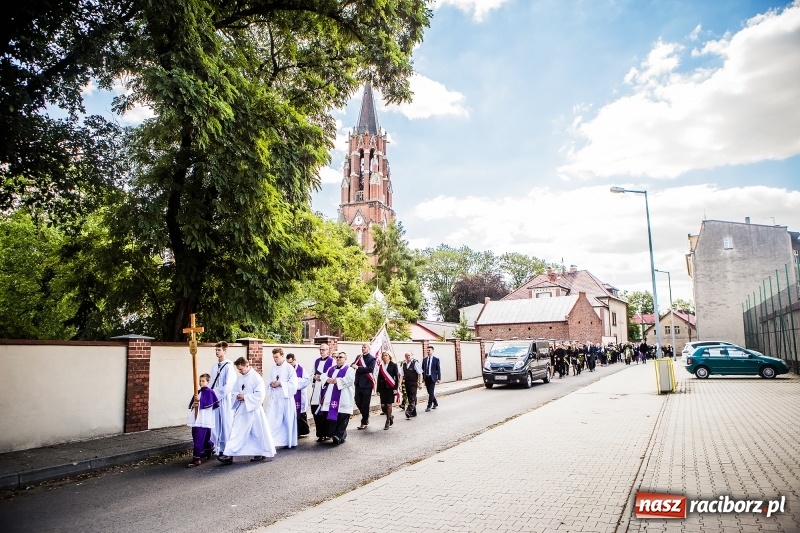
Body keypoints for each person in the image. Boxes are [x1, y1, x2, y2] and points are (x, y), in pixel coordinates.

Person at [218, 357, 276, 464]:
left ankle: (261, 452)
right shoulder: (239, 378)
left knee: (257, 433)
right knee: (236, 432)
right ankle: (228, 455)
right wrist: (237, 396)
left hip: (254, 410)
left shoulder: (256, 378)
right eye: (238, 369)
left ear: (247, 365)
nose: (239, 371)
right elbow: (234, 391)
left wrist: (245, 397)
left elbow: (260, 395)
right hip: (242, 410)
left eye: (241, 369)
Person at [317, 352, 356, 445]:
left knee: (342, 417)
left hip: (344, 398)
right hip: (331, 399)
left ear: (345, 359)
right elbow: (323, 375)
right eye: (337, 357)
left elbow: (350, 380)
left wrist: (337, 381)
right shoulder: (331, 368)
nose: (338, 358)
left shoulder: (349, 370)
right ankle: (339, 434)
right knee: (333, 418)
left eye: (340, 357)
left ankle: (338, 436)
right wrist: (327, 379)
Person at [266, 347, 298, 449]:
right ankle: (274, 441)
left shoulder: (289, 368)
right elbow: (268, 380)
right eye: (274, 357)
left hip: (285, 399)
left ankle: (289, 441)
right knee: (273, 419)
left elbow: (293, 384)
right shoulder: (272, 368)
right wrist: (271, 384)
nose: (275, 359)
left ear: (282, 356)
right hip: (276, 398)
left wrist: (280, 384)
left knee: (287, 420)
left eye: (277, 357)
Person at [209, 341, 236, 456]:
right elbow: (211, 383)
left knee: (225, 422)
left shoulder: (229, 367)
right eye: (216, 350)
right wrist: (210, 394)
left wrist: (217, 393)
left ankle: (226, 448)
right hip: (215, 399)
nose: (216, 352)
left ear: (225, 351)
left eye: (219, 350)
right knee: (214, 423)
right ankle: (215, 446)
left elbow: (229, 385)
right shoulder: (214, 367)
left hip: (224, 399)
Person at [187, 373, 219, 467]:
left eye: (203, 381)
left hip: (204, 419)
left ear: (208, 382)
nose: (201, 383)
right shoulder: (198, 391)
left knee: (198, 438)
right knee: (202, 437)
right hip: (197, 418)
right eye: (200, 381)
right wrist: (195, 403)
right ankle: (209, 448)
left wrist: (200, 400)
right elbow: (194, 405)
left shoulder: (210, 392)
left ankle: (196, 459)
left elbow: (209, 404)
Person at [310, 344, 334, 442]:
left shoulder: (332, 361)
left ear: (328, 350)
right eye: (320, 349)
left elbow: (333, 374)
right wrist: (314, 377)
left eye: (324, 350)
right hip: (316, 390)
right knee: (316, 411)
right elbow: (311, 373)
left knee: (324, 413)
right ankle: (320, 434)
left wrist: (323, 377)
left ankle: (326, 433)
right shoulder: (316, 361)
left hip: (326, 389)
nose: (321, 351)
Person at [286, 353, 310, 439]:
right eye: (288, 362)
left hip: (299, 395)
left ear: (294, 360)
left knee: (300, 414)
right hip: (290, 395)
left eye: (291, 362)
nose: (289, 364)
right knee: (291, 414)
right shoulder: (286, 369)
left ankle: (303, 431)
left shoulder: (301, 370)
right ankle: (294, 432)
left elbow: (306, 381)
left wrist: (295, 383)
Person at [352, 343, 376, 430]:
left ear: (369, 348)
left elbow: (370, 369)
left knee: (365, 404)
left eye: (365, 347)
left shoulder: (372, 358)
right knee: (357, 401)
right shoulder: (359, 357)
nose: (363, 348)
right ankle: (366, 415)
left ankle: (364, 421)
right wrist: (352, 365)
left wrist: (358, 367)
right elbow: (353, 364)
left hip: (367, 384)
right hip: (358, 383)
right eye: (362, 347)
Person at [375, 351, 400, 430]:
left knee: (389, 405)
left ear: (389, 356)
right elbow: (379, 378)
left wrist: (395, 388)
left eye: (386, 355)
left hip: (390, 388)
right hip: (383, 388)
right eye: (383, 355)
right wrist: (378, 389)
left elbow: (397, 378)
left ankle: (387, 421)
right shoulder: (381, 366)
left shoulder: (394, 365)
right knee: (383, 406)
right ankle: (390, 416)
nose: (384, 357)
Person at [400, 351, 422, 419]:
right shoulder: (404, 364)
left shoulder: (415, 363)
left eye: (409, 355)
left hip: (413, 383)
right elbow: (401, 375)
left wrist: (420, 383)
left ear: (411, 356)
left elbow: (420, 373)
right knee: (410, 397)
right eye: (406, 355)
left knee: (412, 397)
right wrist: (400, 384)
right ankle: (414, 412)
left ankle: (409, 411)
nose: (408, 357)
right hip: (407, 383)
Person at [422, 345, 441, 412]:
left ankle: (429, 406)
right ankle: (435, 403)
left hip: (432, 377)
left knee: (431, 391)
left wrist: (439, 378)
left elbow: (438, 369)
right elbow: (422, 369)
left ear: (432, 351)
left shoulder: (436, 359)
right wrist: (422, 378)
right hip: (426, 377)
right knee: (429, 392)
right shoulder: (424, 359)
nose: (428, 351)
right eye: (427, 350)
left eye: (429, 350)